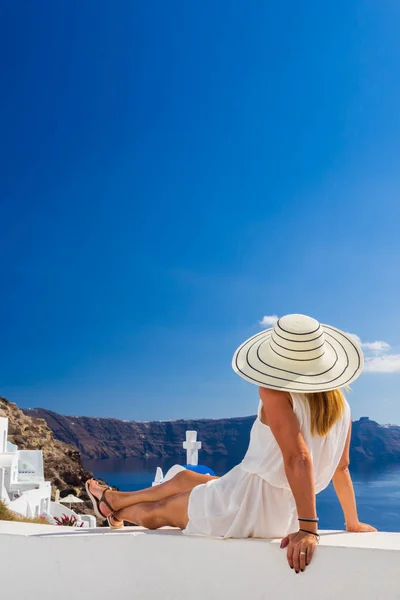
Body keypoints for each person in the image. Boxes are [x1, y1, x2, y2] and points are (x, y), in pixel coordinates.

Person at [86, 314, 377, 573]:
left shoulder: (275, 391)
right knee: (186, 478)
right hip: (276, 506)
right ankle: (115, 499)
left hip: (249, 504)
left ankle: (114, 510)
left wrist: (308, 529)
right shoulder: (342, 407)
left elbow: (298, 457)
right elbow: (342, 467)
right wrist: (351, 522)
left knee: (159, 512)